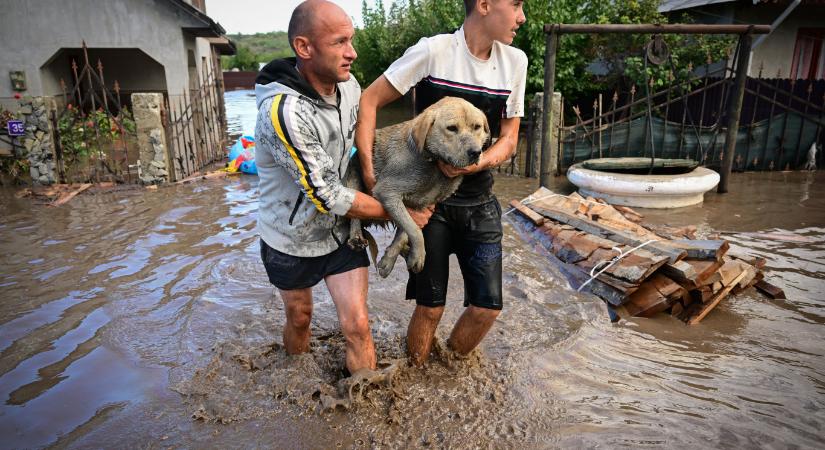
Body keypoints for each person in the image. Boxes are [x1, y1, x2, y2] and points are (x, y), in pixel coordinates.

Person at [254, 0, 432, 374]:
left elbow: (368, 144)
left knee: (357, 325)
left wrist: (417, 176)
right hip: (291, 238)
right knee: (301, 318)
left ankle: (364, 410)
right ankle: (296, 382)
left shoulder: (349, 86)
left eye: (351, 40)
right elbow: (327, 196)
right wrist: (401, 212)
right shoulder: (284, 113)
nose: (352, 53)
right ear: (304, 48)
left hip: (340, 233)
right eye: (340, 42)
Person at [355, 0, 528, 366]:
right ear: (483, 4)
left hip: (480, 203)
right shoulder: (433, 51)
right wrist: (371, 178)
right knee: (430, 307)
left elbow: (509, 139)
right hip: (428, 204)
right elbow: (369, 101)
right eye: (515, 4)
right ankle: (417, 375)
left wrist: (474, 164)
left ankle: (449, 369)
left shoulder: (515, 62)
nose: (521, 16)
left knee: (487, 307)